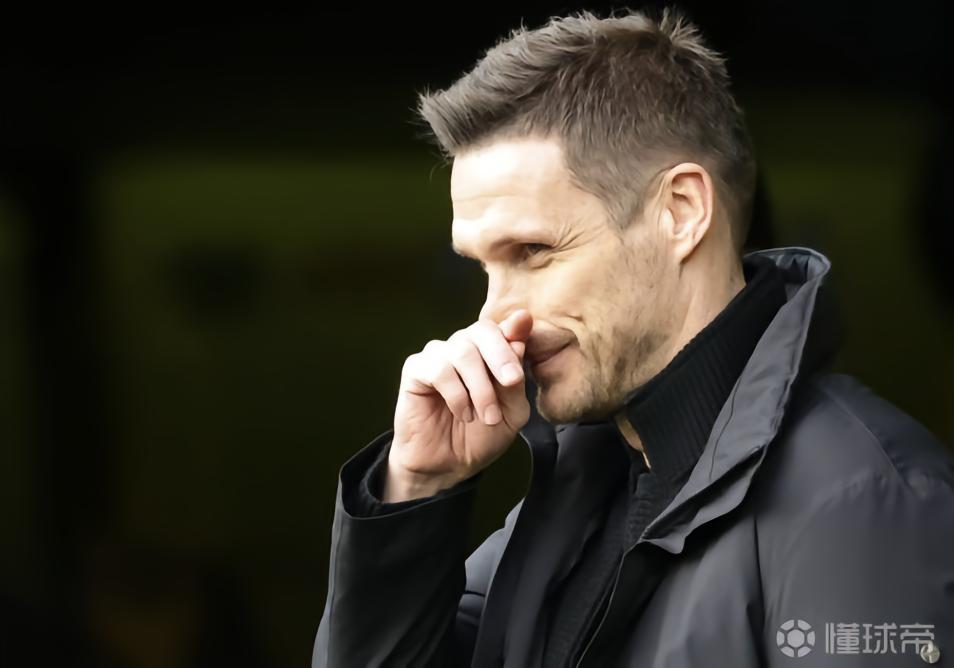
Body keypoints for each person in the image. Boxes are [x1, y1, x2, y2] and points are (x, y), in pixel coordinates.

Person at [312, 6, 954, 667]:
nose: (493, 316)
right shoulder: (578, 495)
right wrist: (415, 487)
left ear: (681, 211)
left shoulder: (861, 497)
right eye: (483, 268)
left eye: (533, 251)